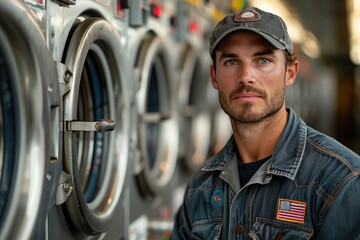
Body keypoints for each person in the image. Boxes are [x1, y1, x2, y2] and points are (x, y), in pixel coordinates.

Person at [170, 7, 360, 240]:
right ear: (214, 77)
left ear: (290, 73)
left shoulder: (340, 180)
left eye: (263, 60)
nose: (245, 76)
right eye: (231, 61)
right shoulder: (200, 188)